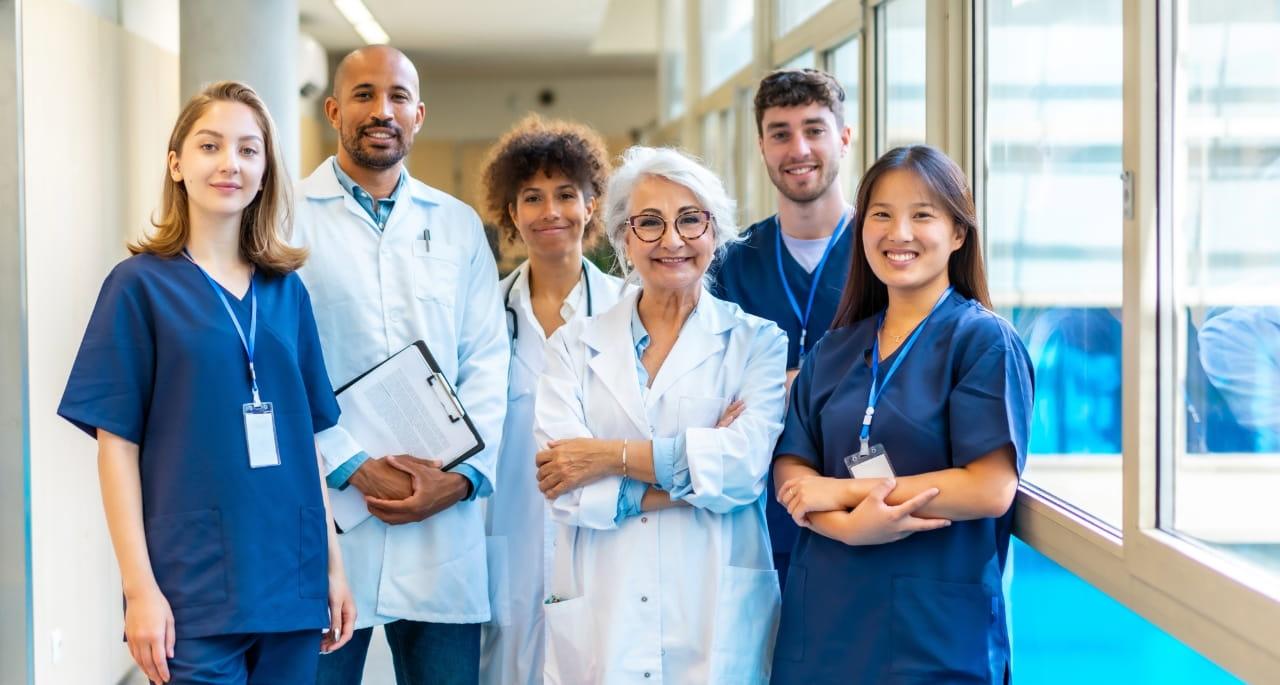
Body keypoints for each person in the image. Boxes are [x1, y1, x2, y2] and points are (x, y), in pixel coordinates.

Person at [57, 81, 355, 684]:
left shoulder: (286, 292)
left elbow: (307, 447)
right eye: (210, 146)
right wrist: (139, 588)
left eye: (248, 150)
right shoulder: (138, 286)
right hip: (191, 586)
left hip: (291, 579)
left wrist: (334, 565)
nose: (230, 164)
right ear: (177, 163)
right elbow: (117, 446)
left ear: (266, 169)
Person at [770, 145, 1034, 684]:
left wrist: (844, 493)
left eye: (922, 215)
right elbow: (792, 467)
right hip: (826, 623)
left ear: (959, 233)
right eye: (882, 215)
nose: (900, 233)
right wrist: (849, 530)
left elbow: (989, 488)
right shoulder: (836, 348)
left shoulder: (983, 343)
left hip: (933, 636)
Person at [294, 46, 509, 684]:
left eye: (396, 97)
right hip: (333, 512)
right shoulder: (283, 218)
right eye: (363, 94)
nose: (380, 110)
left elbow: (488, 362)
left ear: (418, 114)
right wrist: (350, 463)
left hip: (443, 518)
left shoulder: (458, 225)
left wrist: (465, 478)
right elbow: (277, 366)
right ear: (334, 110)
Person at [533, 146, 788, 684]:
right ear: (624, 238)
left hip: (713, 608)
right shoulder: (572, 347)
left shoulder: (757, 343)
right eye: (649, 223)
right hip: (606, 608)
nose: (671, 240)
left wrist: (606, 457)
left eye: (690, 219)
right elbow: (566, 485)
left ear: (715, 232)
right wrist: (695, 469)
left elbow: (742, 473)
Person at [477, 114, 626, 684]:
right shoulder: (484, 315)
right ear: (511, 213)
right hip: (507, 536)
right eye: (531, 198)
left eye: (567, 194)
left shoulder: (624, 310)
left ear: (592, 205)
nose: (550, 212)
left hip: (596, 534)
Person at [710, 68, 855, 588]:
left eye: (814, 130)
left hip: (863, 505)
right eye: (780, 133)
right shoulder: (731, 264)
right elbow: (714, 394)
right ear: (762, 145)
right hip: (759, 514)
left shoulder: (884, 253)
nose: (798, 148)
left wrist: (777, 387)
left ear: (843, 137)